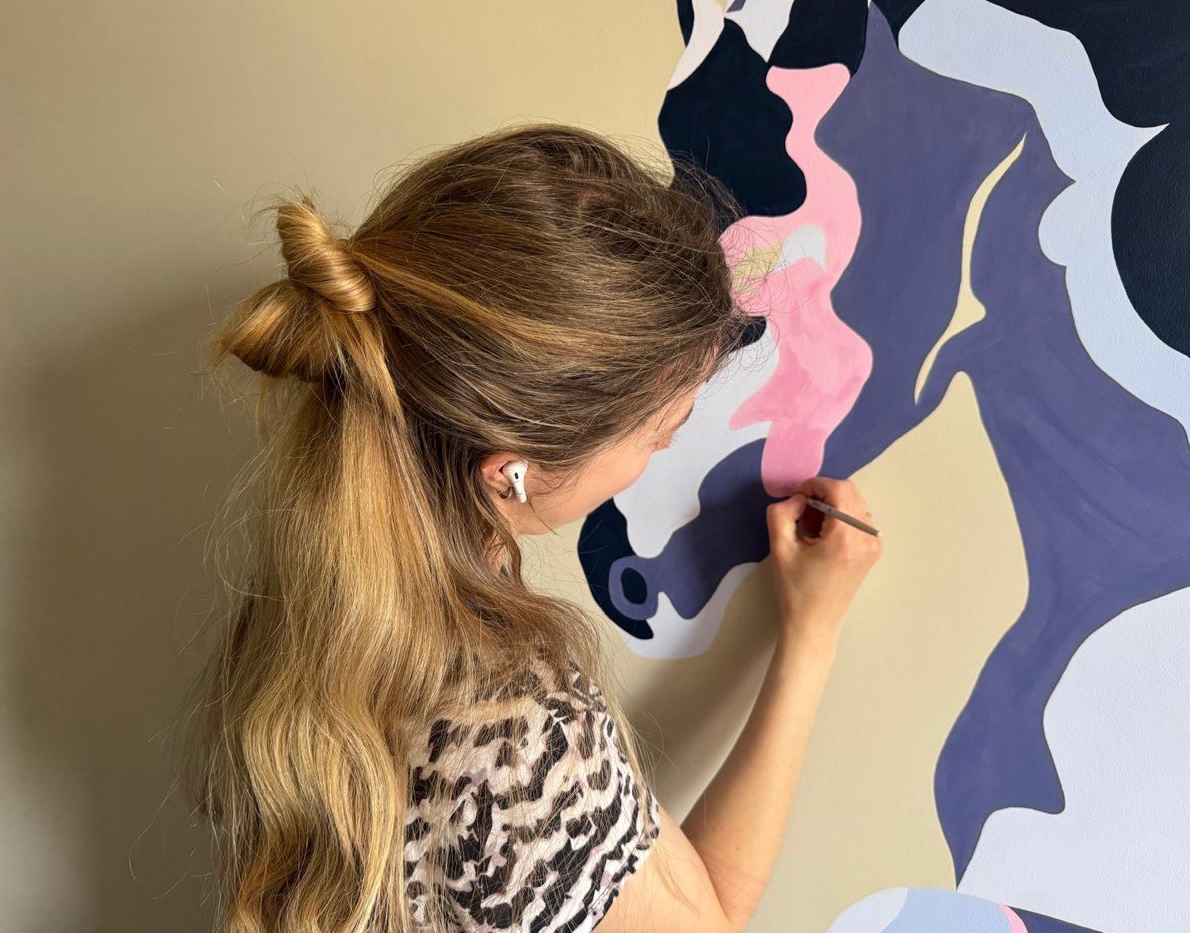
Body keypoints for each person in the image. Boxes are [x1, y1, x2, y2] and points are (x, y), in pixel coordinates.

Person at [175, 121, 882, 933]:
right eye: (661, 435)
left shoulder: (312, 598)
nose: (660, 455)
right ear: (510, 472)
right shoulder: (511, 738)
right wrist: (812, 635)